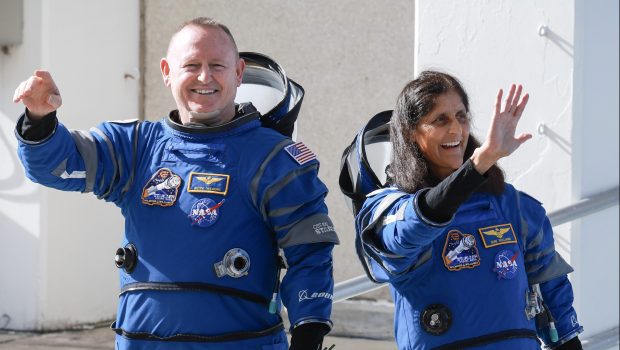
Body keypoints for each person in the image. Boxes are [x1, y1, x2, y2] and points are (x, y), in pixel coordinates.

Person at [13, 17, 339, 350]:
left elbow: (310, 254)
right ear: (167, 71)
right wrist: (39, 119)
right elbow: (56, 165)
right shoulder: (135, 147)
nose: (204, 77)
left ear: (239, 73)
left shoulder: (274, 158)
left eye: (217, 65)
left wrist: (307, 335)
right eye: (192, 65)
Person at [347, 71, 583, 349]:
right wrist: (479, 164)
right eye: (440, 120)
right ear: (411, 133)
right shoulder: (389, 207)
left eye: (461, 116)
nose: (456, 130)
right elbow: (415, 224)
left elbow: (553, 294)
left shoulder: (511, 205)